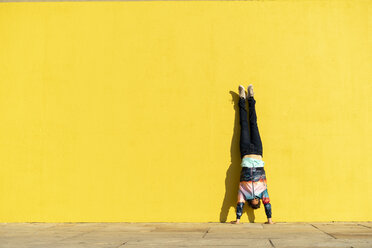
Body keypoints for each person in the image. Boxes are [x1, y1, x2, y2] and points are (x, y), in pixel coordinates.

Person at [231, 84, 274, 224]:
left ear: (251, 202)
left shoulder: (243, 193)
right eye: (258, 202)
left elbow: (239, 205)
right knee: (254, 124)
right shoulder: (263, 192)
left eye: (254, 203)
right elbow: (267, 204)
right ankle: (251, 97)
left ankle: (242, 98)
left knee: (243, 124)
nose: (256, 201)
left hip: (245, 152)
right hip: (257, 151)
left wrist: (237, 220)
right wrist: (270, 220)